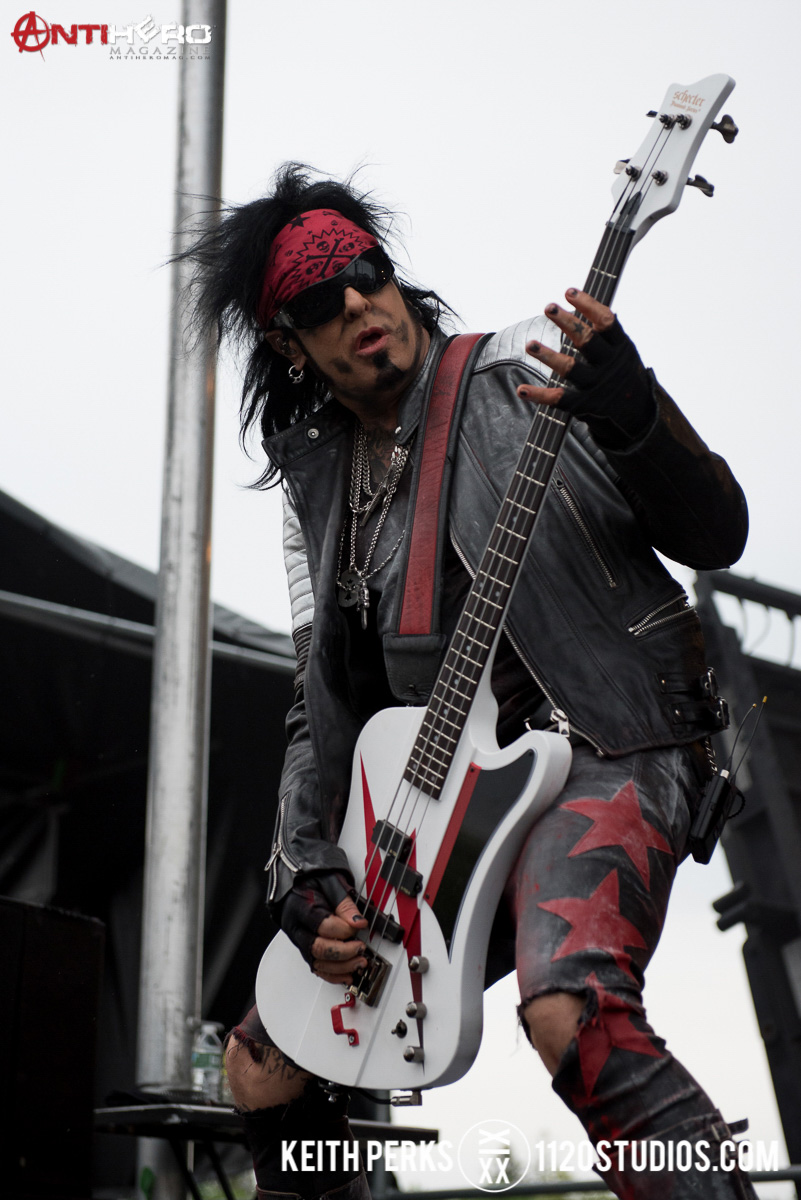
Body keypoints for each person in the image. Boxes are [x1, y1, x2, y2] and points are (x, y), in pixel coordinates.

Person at [181, 163, 753, 1200]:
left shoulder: (521, 371)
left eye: (366, 272)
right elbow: (321, 702)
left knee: (567, 1007)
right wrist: (302, 864)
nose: (358, 304)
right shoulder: (315, 483)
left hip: (613, 741)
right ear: (287, 343)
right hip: (454, 796)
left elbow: (716, 533)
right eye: (320, 300)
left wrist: (632, 410)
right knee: (265, 1065)